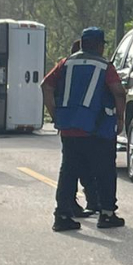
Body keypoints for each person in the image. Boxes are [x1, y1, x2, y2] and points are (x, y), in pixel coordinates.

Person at [41, 27, 126, 232]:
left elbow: (45, 85)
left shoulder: (65, 63)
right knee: (105, 170)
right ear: (99, 45)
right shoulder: (104, 66)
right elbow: (119, 92)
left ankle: (62, 216)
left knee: (69, 171)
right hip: (98, 128)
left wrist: (55, 114)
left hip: (69, 128)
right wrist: (120, 118)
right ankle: (106, 214)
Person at [46, 38, 99, 217]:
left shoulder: (64, 67)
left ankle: (71, 205)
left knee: (74, 165)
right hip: (87, 125)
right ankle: (64, 210)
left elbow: (46, 86)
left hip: (68, 123)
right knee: (75, 167)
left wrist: (55, 114)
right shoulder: (96, 67)